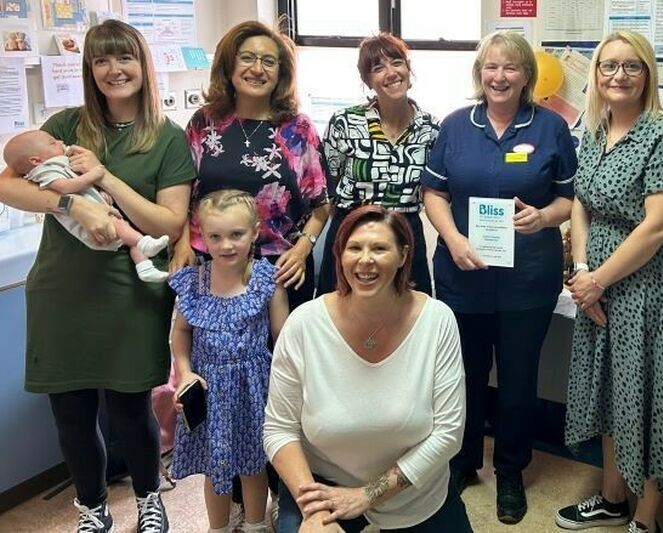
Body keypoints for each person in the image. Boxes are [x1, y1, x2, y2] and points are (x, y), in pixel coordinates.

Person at [0, 19, 195, 533]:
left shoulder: (168, 140)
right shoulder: (65, 126)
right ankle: (92, 508)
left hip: (130, 292)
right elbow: (8, 186)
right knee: (71, 414)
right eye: (102, 60)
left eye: (124, 57)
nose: (114, 70)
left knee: (132, 411)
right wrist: (71, 204)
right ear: (89, 68)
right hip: (62, 292)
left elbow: (169, 222)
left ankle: (149, 498)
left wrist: (106, 180)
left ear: (143, 64)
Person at [421, 30, 577, 524]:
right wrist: (454, 239)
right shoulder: (454, 126)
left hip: (527, 279)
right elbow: (434, 195)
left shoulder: (551, 127)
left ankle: (510, 471)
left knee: (517, 380)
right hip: (463, 273)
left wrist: (544, 218)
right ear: (479, 73)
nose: (500, 76)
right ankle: (463, 462)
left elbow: (567, 200)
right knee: (461, 375)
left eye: (511, 67)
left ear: (528, 75)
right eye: (491, 66)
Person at [553, 31, 663, 533]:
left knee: (650, 395)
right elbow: (581, 203)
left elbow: (658, 224)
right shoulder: (594, 128)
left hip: (645, 283)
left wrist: (598, 280)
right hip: (599, 280)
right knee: (609, 386)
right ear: (596, 75)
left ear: (647, 74)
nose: (619, 76)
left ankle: (647, 518)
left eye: (632, 66)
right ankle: (612, 499)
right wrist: (585, 270)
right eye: (609, 66)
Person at [264, 205, 471, 533]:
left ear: (403, 255)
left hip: (413, 492)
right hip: (323, 488)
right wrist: (313, 509)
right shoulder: (304, 324)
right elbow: (278, 430)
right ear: (339, 254)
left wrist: (366, 495)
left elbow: (448, 434)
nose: (365, 260)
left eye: (379, 248)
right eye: (354, 248)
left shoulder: (436, 320)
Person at [174, 20, 329, 311]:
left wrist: (302, 249)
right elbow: (182, 198)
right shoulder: (204, 122)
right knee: (212, 353)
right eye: (247, 58)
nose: (257, 69)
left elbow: (321, 206)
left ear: (281, 73)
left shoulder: (298, 129)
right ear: (228, 65)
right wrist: (182, 244)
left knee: (282, 354)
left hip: (281, 270)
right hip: (211, 264)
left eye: (269, 61)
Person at [170, 190, 289, 533]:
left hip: (254, 387)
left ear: (255, 231)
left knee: (253, 465)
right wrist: (185, 372)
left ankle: (255, 525)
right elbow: (180, 334)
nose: (226, 246)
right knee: (214, 466)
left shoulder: (267, 281)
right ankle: (217, 527)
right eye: (215, 237)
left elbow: (283, 336)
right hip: (207, 390)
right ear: (202, 236)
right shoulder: (194, 283)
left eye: (236, 234)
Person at [317, 33, 439, 296]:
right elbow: (330, 180)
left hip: (404, 232)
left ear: (408, 68)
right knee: (339, 310)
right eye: (378, 68)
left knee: (410, 312)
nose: (391, 73)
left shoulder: (430, 129)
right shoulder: (346, 122)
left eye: (397, 62)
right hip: (351, 230)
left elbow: (435, 191)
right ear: (367, 80)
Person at [4, 130, 171, 282]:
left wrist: (100, 193)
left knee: (128, 235)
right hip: (92, 227)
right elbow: (65, 187)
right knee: (126, 231)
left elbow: (84, 190)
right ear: (35, 160)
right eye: (52, 143)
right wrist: (95, 175)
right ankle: (145, 244)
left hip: (102, 214)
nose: (60, 141)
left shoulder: (59, 163)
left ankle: (145, 268)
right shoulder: (45, 170)